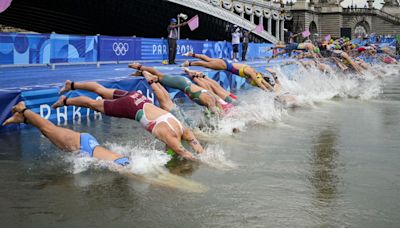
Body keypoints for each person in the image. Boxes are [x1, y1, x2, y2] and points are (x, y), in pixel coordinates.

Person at [52, 80, 204, 160]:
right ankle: (65, 101)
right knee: (94, 105)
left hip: (138, 98)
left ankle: (71, 85)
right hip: (131, 107)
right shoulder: (171, 138)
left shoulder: (184, 129)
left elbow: (197, 148)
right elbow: (184, 153)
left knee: (102, 91)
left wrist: (203, 155)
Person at [2, 102, 130, 166]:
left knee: (49, 132)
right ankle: (23, 109)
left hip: (86, 146)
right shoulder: (129, 168)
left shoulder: (129, 164)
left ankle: (23, 119)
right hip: (84, 146)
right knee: (48, 130)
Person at [128, 63, 224, 116]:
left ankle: (141, 73)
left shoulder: (214, 99)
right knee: (159, 75)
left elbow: (218, 111)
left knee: (159, 77)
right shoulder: (211, 103)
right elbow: (216, 114)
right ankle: (139, 66)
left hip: (185, 83)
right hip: (182, 83)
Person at [181, 52, 274, 91]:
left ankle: (191, 54)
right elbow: (261, 84)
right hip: (224, 65)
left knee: (208, 60)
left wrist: (272, 90)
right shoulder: (251, 73)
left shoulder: (256, 74)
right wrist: (266, 91)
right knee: (205, 64)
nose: (250, 82)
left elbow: (263, 82)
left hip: (225, 63)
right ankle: (188, 63)